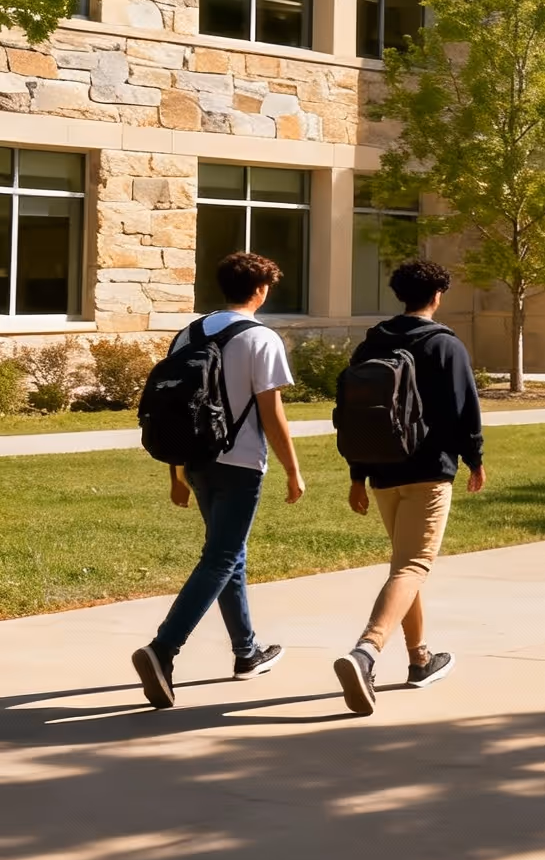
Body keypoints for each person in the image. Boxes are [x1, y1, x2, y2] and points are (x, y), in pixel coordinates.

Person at [132, 252, 306, 709]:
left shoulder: (188, 333)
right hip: (240, 462)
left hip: (194, 460)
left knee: (230, 556)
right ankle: (163, 649)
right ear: (261, 290)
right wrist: (292, 469)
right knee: (221, 556)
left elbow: (174, 408)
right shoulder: (261, 338)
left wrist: (175, 474)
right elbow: (272, 413)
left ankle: (246, 652)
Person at [332, 259, 486, 717]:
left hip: (382, 470)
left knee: (404, 564)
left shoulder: (372, 342)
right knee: (414, 566)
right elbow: (464, 408)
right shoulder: (444, 344)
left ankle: (419, 659)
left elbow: (356, 412)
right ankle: (366, 651)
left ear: (400, 294)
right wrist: (475, 459)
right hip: (428, 470)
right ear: (438, 295)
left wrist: (357, 475)